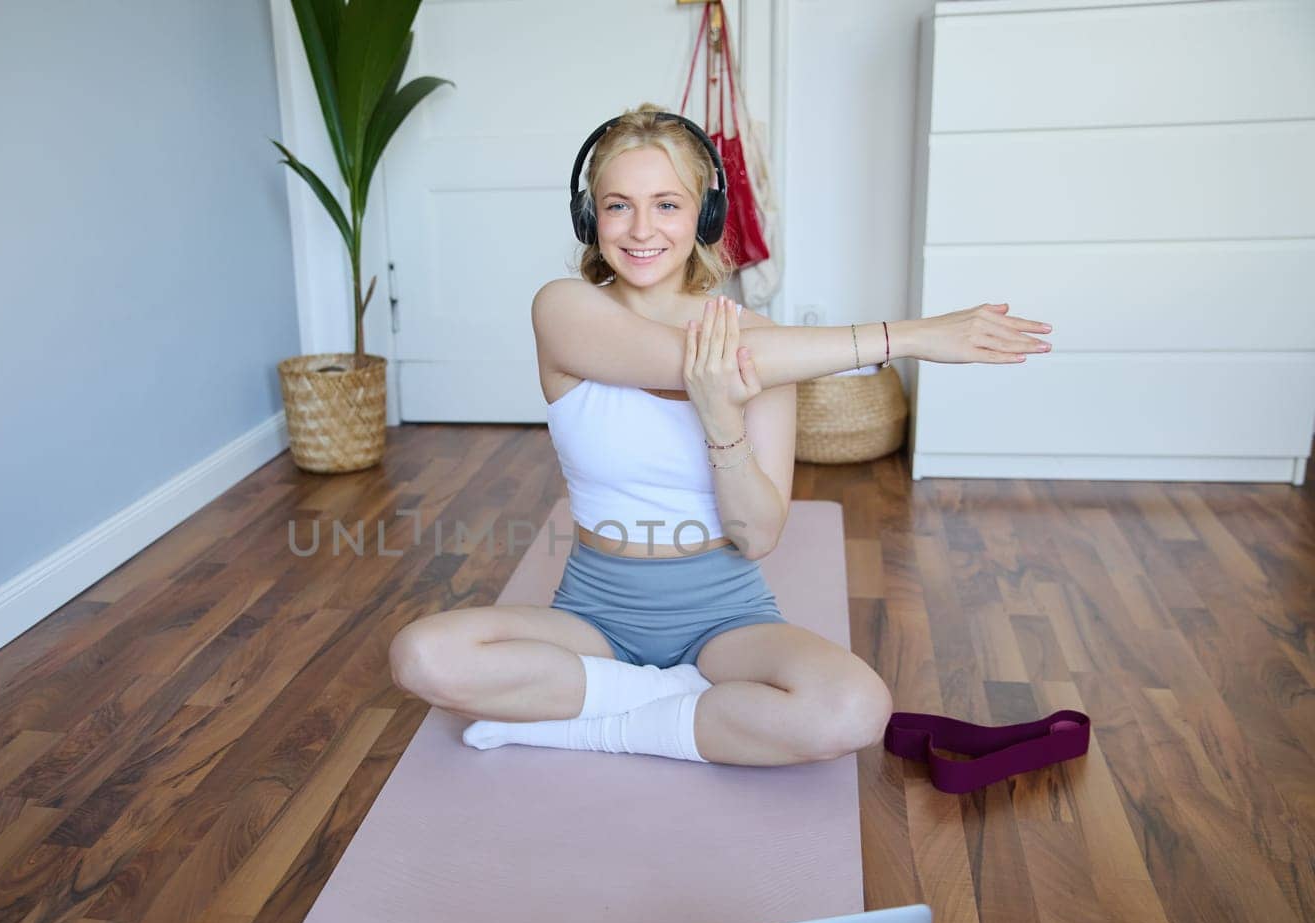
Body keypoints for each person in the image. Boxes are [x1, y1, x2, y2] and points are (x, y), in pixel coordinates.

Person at [387, 104, 1053, 768]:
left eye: (667, 205)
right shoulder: (563, 310)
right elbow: (705, 362)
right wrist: (910, 337)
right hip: (593, 614)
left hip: (724, 617)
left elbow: (758, 535)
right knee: (420, 655)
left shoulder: (766, 344)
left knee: (855, 707)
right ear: (590, 218)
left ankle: (595, 721)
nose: (642, 229)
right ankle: (677, 702)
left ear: (703, 216)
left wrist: (723, 421)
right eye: (618, 205)